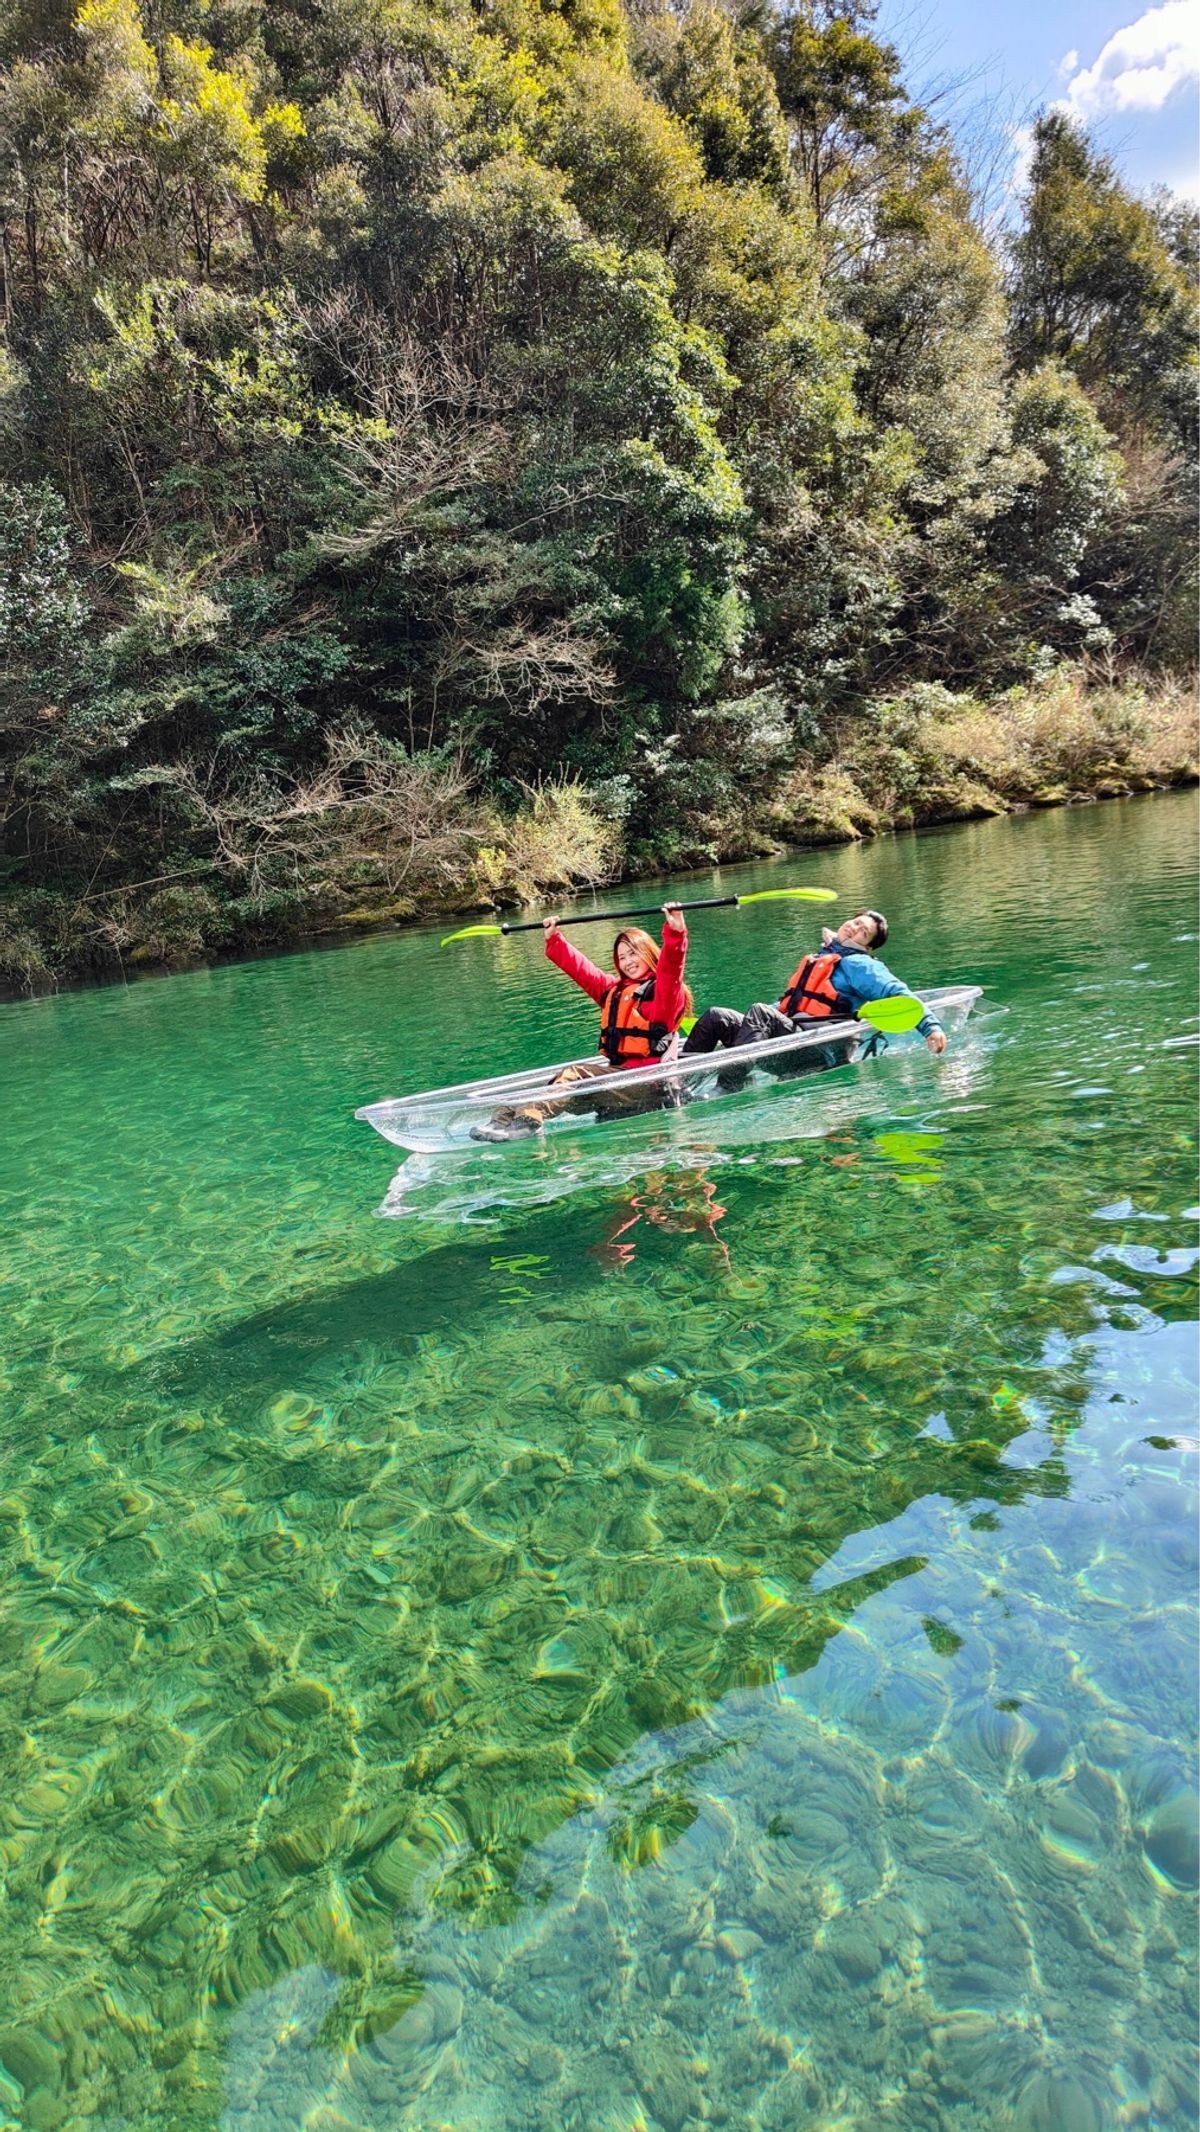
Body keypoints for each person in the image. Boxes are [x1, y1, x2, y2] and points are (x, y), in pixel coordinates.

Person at [470, 904, 693, 1141]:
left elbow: (671, 969)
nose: (628, 962)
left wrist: (676, 933)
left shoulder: (664, 994)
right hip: (618, 1082)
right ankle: (500, 1121)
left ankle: (528, 1122)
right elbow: (582, 971)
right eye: (622, 957)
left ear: (647, 953)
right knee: (549, 1086)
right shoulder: (615, 991)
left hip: (646, 1083)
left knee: (574, 1074)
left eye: (633, 953)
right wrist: (554, 939)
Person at [682, 908, 947, 1084]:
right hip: (790, 1041)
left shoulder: (862, 965)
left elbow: (897, 994)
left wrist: (930, 1026)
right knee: (717, 1017)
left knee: (760, 1012)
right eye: (855, 922)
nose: (854, 928)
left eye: (863, 932)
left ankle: (728, 1086)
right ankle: (677, 1083)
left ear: (867, 947)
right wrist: (750, 1025)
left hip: (817, 1052)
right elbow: (786, 1007)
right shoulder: (822, 957)